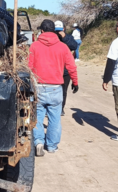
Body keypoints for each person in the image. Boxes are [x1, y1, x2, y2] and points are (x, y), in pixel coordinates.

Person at [29, 19, 78, 156]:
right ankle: (51, 146)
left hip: (38, 86)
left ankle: (38, 142)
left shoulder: (34, 46)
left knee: (37, 116)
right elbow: (71, 66)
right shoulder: (63, 47)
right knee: (55, 118)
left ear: (42, 31)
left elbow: (29, 67)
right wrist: (75, 82)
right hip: (56, 87)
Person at [54, 20, 78, 116]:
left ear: (64, 29)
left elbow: (74, 46)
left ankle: (61, 108)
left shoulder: (69, 38)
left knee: (63, 91)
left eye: (60, 30)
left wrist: (64, 38)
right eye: (56, 31)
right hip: (54, 69)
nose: (58, 32)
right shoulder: (52, 39)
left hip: (65, 71)